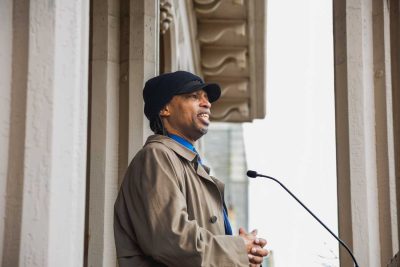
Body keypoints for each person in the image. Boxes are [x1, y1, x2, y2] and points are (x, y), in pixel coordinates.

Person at [114, 71, 268, 266]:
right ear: (165, 108)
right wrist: (238, 249)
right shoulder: (156, 156)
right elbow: (170, 239)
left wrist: (248, 256)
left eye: (206, 98)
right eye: (194, 96)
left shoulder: (192, 166)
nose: (207, 103)